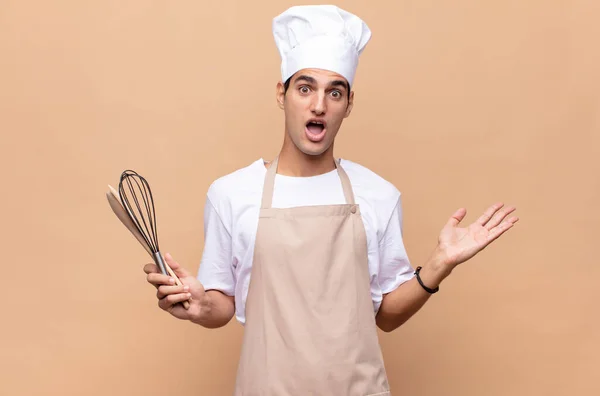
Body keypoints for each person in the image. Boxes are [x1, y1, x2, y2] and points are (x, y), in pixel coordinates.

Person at [143, 4, 518, 395]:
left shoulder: (378, 194)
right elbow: (222, 304)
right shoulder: (231, 193)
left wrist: (440, 264)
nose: (318, 105)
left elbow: (386, 316)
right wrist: (199, 305)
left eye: (334, 92)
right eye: (305, 88)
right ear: (281, 94)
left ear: (348, 104)